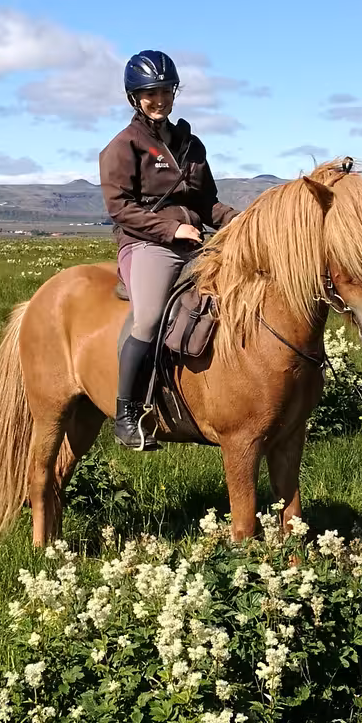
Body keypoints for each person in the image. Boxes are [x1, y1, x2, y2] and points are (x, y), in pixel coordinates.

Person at [99, 49, 238, 450]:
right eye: (150, 93)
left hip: (195, 239)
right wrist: (171, 228)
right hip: (146, 244)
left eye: (165, 91)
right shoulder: (123, 146)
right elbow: (120, 208)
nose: (159, 99)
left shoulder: (191, 145)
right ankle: (127, 414)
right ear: (134, 98)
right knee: (148, 318)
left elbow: (207, 202)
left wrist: (239, 219)